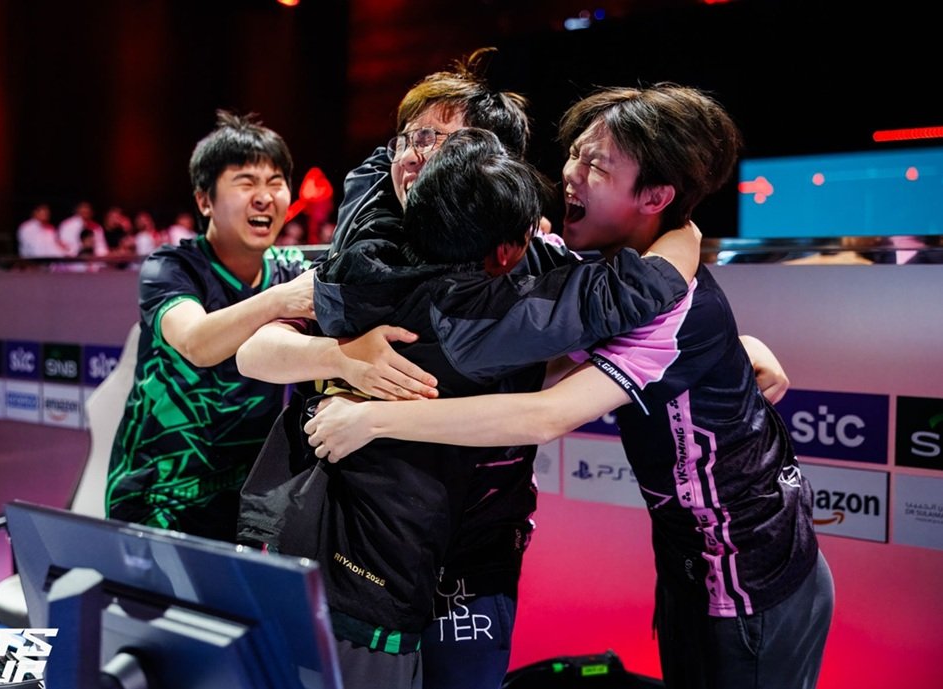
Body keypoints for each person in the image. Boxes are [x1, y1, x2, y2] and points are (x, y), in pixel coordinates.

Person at [304, 84, 833, 689]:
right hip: (686, 559)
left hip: (751, 567)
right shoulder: (573, 264)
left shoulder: (661, 301)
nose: (571, 176)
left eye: (596, 166)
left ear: (655, 196)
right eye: (574, 154)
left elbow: (545, 414)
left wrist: (371, 419)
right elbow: (262, 342)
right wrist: (340, 357)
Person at [238, 48, 696, 689]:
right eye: (408, 138)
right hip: (361, 548)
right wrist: (342, 357)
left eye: (436, 141)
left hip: (474, 552)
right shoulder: (369, 256)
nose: (413, 156)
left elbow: (599, 330)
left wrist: (367, 411)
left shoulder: (527, 263)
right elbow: (253, 352)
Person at [103, 110, 315, 542]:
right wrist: (279, 299)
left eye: (275, 182)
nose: (265, 196)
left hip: (248, 497)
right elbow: (196, 343)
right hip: (159, 500)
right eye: (246, 182)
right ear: (204, 201)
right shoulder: (171, 267)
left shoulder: (290, 268)